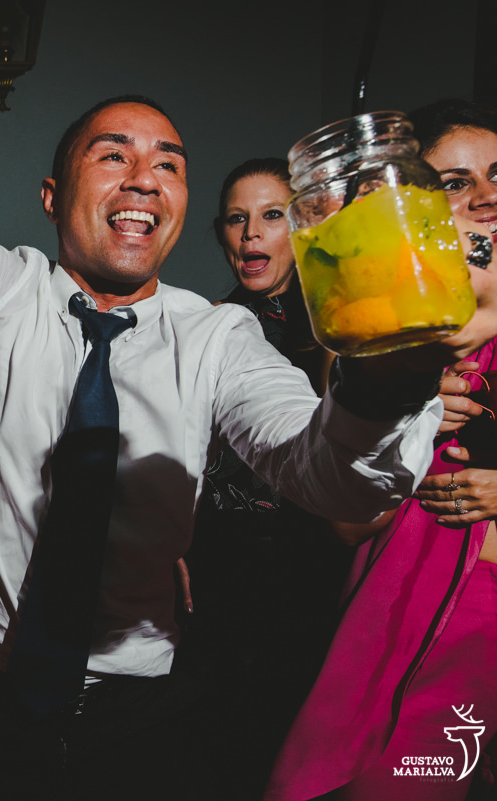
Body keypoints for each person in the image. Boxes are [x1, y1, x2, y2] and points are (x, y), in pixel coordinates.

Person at [0, 2, 497, 798]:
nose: (144, 177)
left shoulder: (219, 336)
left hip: (137, 715)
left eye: (169, 165)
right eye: (114, 155)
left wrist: (382, 378)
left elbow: (329, 476)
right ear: (52, 195)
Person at [266, 99, 497, 801]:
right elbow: (347, 522)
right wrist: (412, 414)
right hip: (439, 627)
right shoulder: (372, 334)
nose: (488, 196)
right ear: (408, 201)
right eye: (456, 182)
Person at [181, 158, 349, 799]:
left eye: (271, 216)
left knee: (297, 731)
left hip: (313, 558)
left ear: (304, 223)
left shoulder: (343, 323)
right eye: (236, 219)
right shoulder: (209, 326)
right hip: (220, 555)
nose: (251, 233)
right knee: (219, 728)